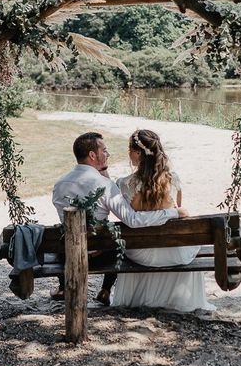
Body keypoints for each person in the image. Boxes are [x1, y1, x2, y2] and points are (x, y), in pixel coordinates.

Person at [52, 132, 188, 305]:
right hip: (100, 256)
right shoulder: (105, 186)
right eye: (105, 150)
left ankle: (64, 286)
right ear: (93, 155)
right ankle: (106, 289)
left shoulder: (59, 184)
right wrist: (174, 212)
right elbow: (132, 219)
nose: (108, 154)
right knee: (117, 242)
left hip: (68, 254)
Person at [112, 129, 216, 312]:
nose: (128, 153)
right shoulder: (173, 180)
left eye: (130, 149)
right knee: (182, 240)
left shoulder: (124, 184)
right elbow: (177, 217)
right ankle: (173, 297)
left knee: (131, 244)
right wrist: (171, 213)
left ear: (137, 153)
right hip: (175, 253)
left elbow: (131, 219)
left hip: (141, 255)